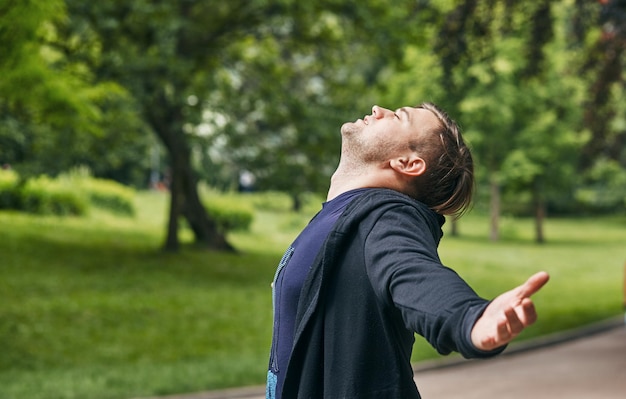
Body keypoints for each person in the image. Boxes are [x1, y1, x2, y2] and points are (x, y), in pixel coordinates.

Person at [266, 102, 550, 399]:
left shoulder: (387, 216)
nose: (378, 109)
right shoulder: (345, 216)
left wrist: (469, 318)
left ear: (408, 162)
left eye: (399, 116)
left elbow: (412, 273)